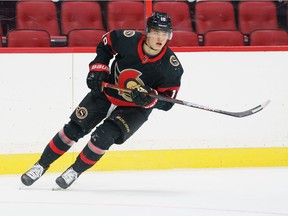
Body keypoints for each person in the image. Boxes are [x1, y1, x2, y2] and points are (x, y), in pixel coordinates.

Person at [21, 11, 184, 189]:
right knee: (73, 129)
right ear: (147, 31)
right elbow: (106, 45)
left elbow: (167, 102)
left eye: (164, 33)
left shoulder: (171, 67)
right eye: (155, 32)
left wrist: (150, 98)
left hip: (134, 109)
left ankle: (74, 171)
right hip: (106, 92)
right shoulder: (126, 39)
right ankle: (40, 165)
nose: (160, 38)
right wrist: (99, 67)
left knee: (103, 137)